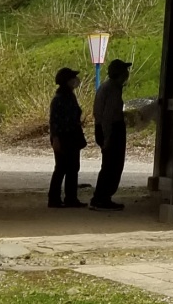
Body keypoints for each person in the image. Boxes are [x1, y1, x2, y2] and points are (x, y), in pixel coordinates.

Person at [90, 58, 131, 211]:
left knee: (108, 165)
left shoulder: (105, 86)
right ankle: (102, 197)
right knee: (112, 165)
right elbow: (107, 116)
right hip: (111, 129)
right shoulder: (113, 89)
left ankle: (101, 197)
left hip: (103, 128)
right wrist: (107, 137)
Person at [48, 67, 86, 208]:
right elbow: (54, 121)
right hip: (64, 137)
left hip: (71, 136)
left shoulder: (69, 96)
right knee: (62, 168)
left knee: (72, 168)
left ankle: (70, 198)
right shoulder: (60, 99)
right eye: (72, 78)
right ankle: (55, 198)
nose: (75, 81)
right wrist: (55, 138)